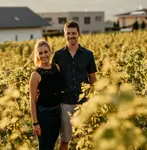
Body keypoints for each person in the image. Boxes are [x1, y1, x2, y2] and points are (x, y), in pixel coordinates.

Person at [52, 21, 97, 150]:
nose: (71, 36)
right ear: (64, 35)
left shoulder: (88, 55)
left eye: (74, 33)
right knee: (65, 140)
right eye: (68, 33)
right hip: (66, 103)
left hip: (85, 103)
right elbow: (53, 79)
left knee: (87, 138)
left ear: (79, 34)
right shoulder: (58, 55)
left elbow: (93, 78)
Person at [29, 40, 62, 150]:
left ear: (50, 52)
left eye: (46, 52)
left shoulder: (56, 68)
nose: (44, 55)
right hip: (44, 115)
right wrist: (35, 123)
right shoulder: (36, 75)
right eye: (40, 53)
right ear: (37, 55)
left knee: (52, 145)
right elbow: (32, 101)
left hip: (57, 113)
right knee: (44, 147)